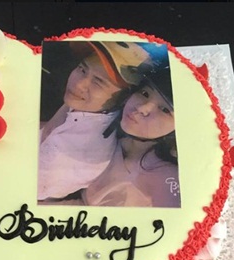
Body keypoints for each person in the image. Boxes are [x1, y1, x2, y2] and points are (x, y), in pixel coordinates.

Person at [37, 41, 151, 202]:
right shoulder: (86, 105)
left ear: (124, 98)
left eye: (98, 82)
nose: (79, 84)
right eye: (82, 69)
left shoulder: (70, 157)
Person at [81, 64, 181, 208]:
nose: (141, 108)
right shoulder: (110, 129)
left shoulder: (166, 175)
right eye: (144, 93)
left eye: (165, 110)